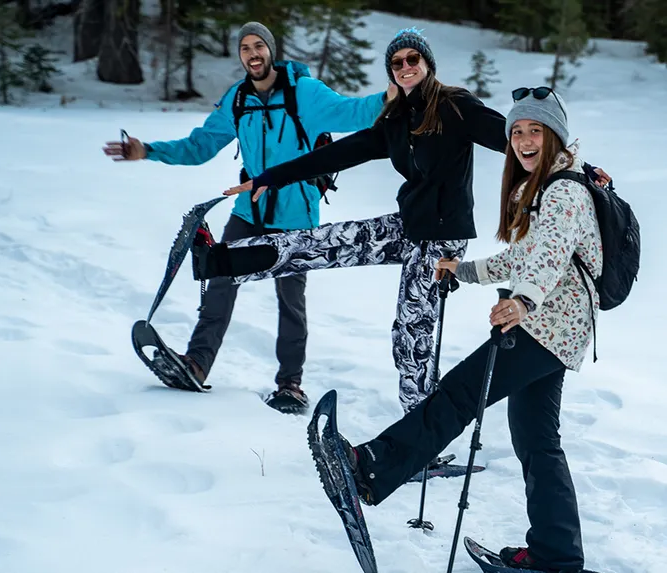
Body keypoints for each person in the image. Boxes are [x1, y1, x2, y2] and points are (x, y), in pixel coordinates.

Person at [201, 28, 610, 414]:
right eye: (396, 63)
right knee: (322, 242)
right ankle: (218, 260)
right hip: (407, 226)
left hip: (441, 241)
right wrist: (271, 178)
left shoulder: (454, 106)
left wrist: (579, 169)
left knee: (411, 337)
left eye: (412, 58)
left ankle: (422, 436)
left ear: (427, 63)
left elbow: (512, 136)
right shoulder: (397, 120)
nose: (404, 66)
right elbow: (339, 154)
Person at [330, 86, 600, 573]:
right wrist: (467, 270)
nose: (523, 139)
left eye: (535, 129)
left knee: (457, 395)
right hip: (559, 330)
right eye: (516, 130)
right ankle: (556, 557)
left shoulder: (562, 193)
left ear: (555, 136)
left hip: (545, 325)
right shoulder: (547, 187)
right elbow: (527, 256)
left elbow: (551, 259)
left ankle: (371, 467)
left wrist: (522, 300)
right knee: (537, 441)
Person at [102, 22, 393, 413]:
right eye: (245, 48)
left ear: (271, 51)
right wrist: (148, 150)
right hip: (248, 211)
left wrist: (391, 95)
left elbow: (351, 111)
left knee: (291, 299)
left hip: (296, 214)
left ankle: (290, 384)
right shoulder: (237, 99)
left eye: (259, 46)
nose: (252, 53)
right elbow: (200, 145)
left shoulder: (303, 93)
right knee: (220, 280)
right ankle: (196, 364)